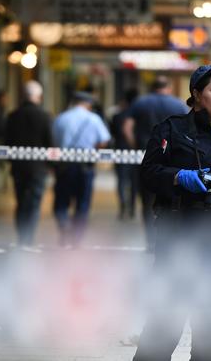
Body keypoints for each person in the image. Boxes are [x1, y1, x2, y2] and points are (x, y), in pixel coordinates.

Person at [132, 64, 211, 361]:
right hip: (179, 236)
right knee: (165, 324)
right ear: (196, 94)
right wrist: (180, 177)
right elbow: (149, 173)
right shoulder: (171, 129)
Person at [126, 76, 188, 250]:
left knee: (146, 202)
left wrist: (137, 146)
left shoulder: (140, 102)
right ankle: (168, 240)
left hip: (145, 158)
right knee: (171, 201)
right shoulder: (177, 104)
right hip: (172, 162)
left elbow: (127, 127)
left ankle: (151, 242)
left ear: (152, 87)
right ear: (167, 88)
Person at [52, 91, 111, 248]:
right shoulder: (94, 119)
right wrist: (93, 149)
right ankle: (76, 238)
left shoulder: (61, 118)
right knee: (82, 203)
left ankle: (64, 226)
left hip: (65, 165)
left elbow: (55, 141)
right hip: (85, 166)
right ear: (88, 104)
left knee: (61, 201)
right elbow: (104, 140)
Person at [5, 81, 52, 250]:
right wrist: (51, 165)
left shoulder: (13, 116)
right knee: (34, 202)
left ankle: (21, 235)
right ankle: (29, 237)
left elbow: (7, 142)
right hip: (38, 168)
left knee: (20, 200)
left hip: (18, 167)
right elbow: (50, 143)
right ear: (39, 96)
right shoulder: (45, 117)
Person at [110, 88, 139, 220]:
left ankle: (123, 207)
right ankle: (132, 208)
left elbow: (112, 134)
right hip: (136, 152)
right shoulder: (139, 115)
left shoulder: (117, 116)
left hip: (120, 152)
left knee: (122, 180)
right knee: (134, 182)